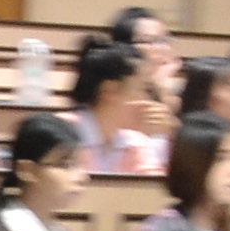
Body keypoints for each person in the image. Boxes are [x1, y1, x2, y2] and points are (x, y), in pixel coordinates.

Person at [63, 38, 168, 177]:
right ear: (110, 90)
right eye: (143, 89)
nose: (147, 100)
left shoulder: (136, 143)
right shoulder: (62, 132)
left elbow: (153, 186)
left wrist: (173, 134)